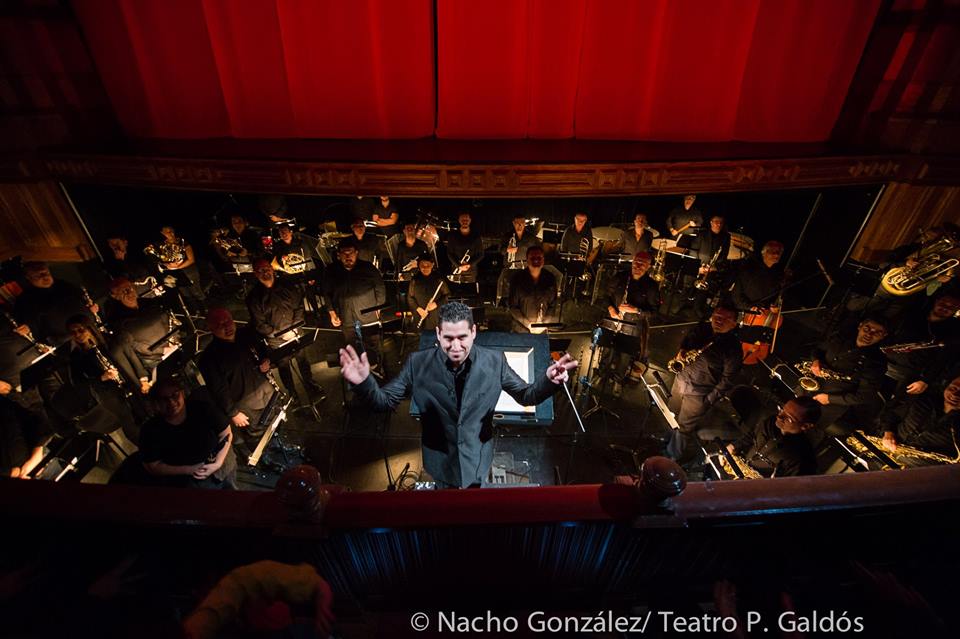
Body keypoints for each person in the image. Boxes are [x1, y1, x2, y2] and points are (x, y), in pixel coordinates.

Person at [339, 302, 578, 488]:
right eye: (448, 338)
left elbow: (527, 396)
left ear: (473, 332)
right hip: (439, 462)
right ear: (438, 334)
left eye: (462, 337)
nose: (455, 346)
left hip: (479, 459)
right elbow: (385, 401)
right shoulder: (417, 363)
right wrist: (364, 383)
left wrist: (548, 381)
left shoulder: (495, 362)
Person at [666, 305, 742, 467]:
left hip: (699, 393)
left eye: (724, 319)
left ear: (734, 323)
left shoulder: (734, 347)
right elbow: (686, 341)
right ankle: (665, 442)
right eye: (716, 316)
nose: (718, 320)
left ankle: (671, 458)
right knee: (671, 414)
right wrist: (682, 350)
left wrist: (708, 400)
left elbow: (728, 380)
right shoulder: (702, 328)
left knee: (684, 428)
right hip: (681, 380)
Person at [197, 308, 275, 460]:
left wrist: (266, 360)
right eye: (220, 325)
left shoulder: (246, 334)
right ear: (211, 329)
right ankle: (266, 459)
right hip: (246, 404)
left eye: (228, 321)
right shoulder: (209, 358)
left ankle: (277, 448)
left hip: (267, 389)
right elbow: (218, 390)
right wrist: (233, 413)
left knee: (275, 422)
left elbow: (264, 350)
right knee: (257, 434)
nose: (227, 326)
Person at [246, 258, 324, 404]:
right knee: (284, 367)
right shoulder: (253, 298)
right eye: (261, 270)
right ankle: (293, 394)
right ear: (255, 274)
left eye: (267, 268)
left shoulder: (287, 286)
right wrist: (280, 334)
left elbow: (299, 307)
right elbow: (260, 324)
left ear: (272, 269)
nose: (266, 272)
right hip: (276, 340)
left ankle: (311, 385)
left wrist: (294, 328)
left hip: (295, 332)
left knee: (303, 361)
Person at [140, 377, 236, 489]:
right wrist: (188, 469)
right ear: (156, 403)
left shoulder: (202, 408)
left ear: (182, 393)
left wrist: (218, 462)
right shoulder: (150, 430)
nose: (171, 402)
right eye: (164, 399)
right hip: (191, 482)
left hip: (224, 466)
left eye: (175, 395)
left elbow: (226, 432)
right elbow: (152, 466)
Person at [807, 315, 889, 435]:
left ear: (884, 336)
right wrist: (815, 360)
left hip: (830, 405)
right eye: (867, 328)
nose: (869, 334)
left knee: (810, 432)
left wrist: (829, 399)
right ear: (860, 326)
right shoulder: (840, 338)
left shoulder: (877, 362)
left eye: (877, 332)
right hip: (809, 387)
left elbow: (863, 396)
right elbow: (818, 349)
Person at [602, 251, 660, 396]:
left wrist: (637, 310)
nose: (638, 265)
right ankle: (603, 375)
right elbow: (606, 295)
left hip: (632, 327)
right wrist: (610, 308)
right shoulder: (621, 277)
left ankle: (618, 381)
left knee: (625, 356)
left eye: (642, 263)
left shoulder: (651, 286)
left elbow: (654, 311)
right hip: (613, 320)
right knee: (606, 350)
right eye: (636, 261)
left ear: (648, 266)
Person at [883, 293, 960, 401]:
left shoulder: (953, 332)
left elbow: (942, 359)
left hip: (908, 374)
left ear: (956, 310)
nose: (945, 308)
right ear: (936, 301)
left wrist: (925, 381)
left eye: (951, 307)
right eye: (942, 303)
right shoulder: (915, 314)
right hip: (882, 361)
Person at [322, 239, 386, 366]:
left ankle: (378, 369)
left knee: (373, 347)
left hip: (369, 317)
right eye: (344, 253)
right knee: (352, 347)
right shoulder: (331, 270)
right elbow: (327, 293)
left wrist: (378, 308)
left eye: (350, 253)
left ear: (356, 253)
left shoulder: (368, 268)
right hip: (346, 317)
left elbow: (380, 288)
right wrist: (332, 314)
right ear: (338, 255)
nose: (347, 256)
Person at [726, 397, 821, 477]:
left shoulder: (803, 458)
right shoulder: (770, 421)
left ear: (805, 426)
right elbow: (753, 434)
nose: (779, 416)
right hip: (741, 468)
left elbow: (789, 491)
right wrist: (733, 446)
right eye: (782, 409)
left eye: (789, 418)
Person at [874, 375, 960, 463]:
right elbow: (892, 414)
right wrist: (888, 433)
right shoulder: (924, 400)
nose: (955, 394)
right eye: (953, 388)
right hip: (884, 454)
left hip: (918, 470)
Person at [13, 261, 97, 345]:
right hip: (58, 341)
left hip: (69, 335)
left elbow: (84, 297)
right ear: (29, 277)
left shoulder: (64, 285)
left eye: (46, 273)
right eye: (38, 275)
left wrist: (91, 308)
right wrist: (27, 328)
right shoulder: (25, 299)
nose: (45, 277)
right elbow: (25, 324)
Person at [507, 246, 558, 333]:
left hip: (542, 331)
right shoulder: (517, 279)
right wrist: (528, 325)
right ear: (527, 259)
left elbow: (552, 305)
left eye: (539, 257)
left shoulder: (550, 278)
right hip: (521, 331)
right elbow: (513, 307)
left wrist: (543, 324)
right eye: (532, 257)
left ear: (543, 259)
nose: (536, 260)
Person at [731, 240, 786, 311]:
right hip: (743, 310)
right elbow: (736, 296)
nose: (776, 255)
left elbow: (772, 299)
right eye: (773, 252)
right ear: (764, 253)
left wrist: (771, 306)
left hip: (761, 313)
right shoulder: (749, 269)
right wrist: (750, 307)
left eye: (779, 252)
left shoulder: (778, 275)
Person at [408, 253, 450, 331]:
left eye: (428, 265)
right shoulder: (414, 280)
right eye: (422, 266)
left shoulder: (439, 279)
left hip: (435, 316)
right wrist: (418, 309)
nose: (425, 268)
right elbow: (410, 298)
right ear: (418, 266)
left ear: (432, 265)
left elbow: (447, 295)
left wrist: (436, 304)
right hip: (420, 315)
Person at [445, 211, 485, 285]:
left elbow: (481, 254)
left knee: (471, 293)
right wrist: (458, 266)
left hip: (471, 271)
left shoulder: (476, 236)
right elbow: (449, 253)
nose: (465, 222)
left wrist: (469, 264)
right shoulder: (452, 236)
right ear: (459, 221)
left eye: (466, 220)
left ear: (470, 221)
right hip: (456, 270)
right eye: (463, 220)